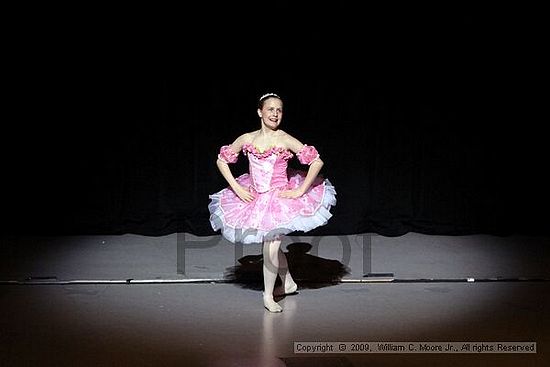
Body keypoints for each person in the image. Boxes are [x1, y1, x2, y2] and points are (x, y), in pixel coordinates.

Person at [208, 92, 337, 312]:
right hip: (255, 197)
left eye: (279, 110)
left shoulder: (284, 138)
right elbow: (222, 160)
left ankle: (268, 295)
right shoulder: (247, 138)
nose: (275, 114)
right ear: (260, 111)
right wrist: (237, 188)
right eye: (270, 109)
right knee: (271, 249)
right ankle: (288, 282)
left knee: (270, 247)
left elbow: (316, 161)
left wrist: (300, 190)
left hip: (278, 200)